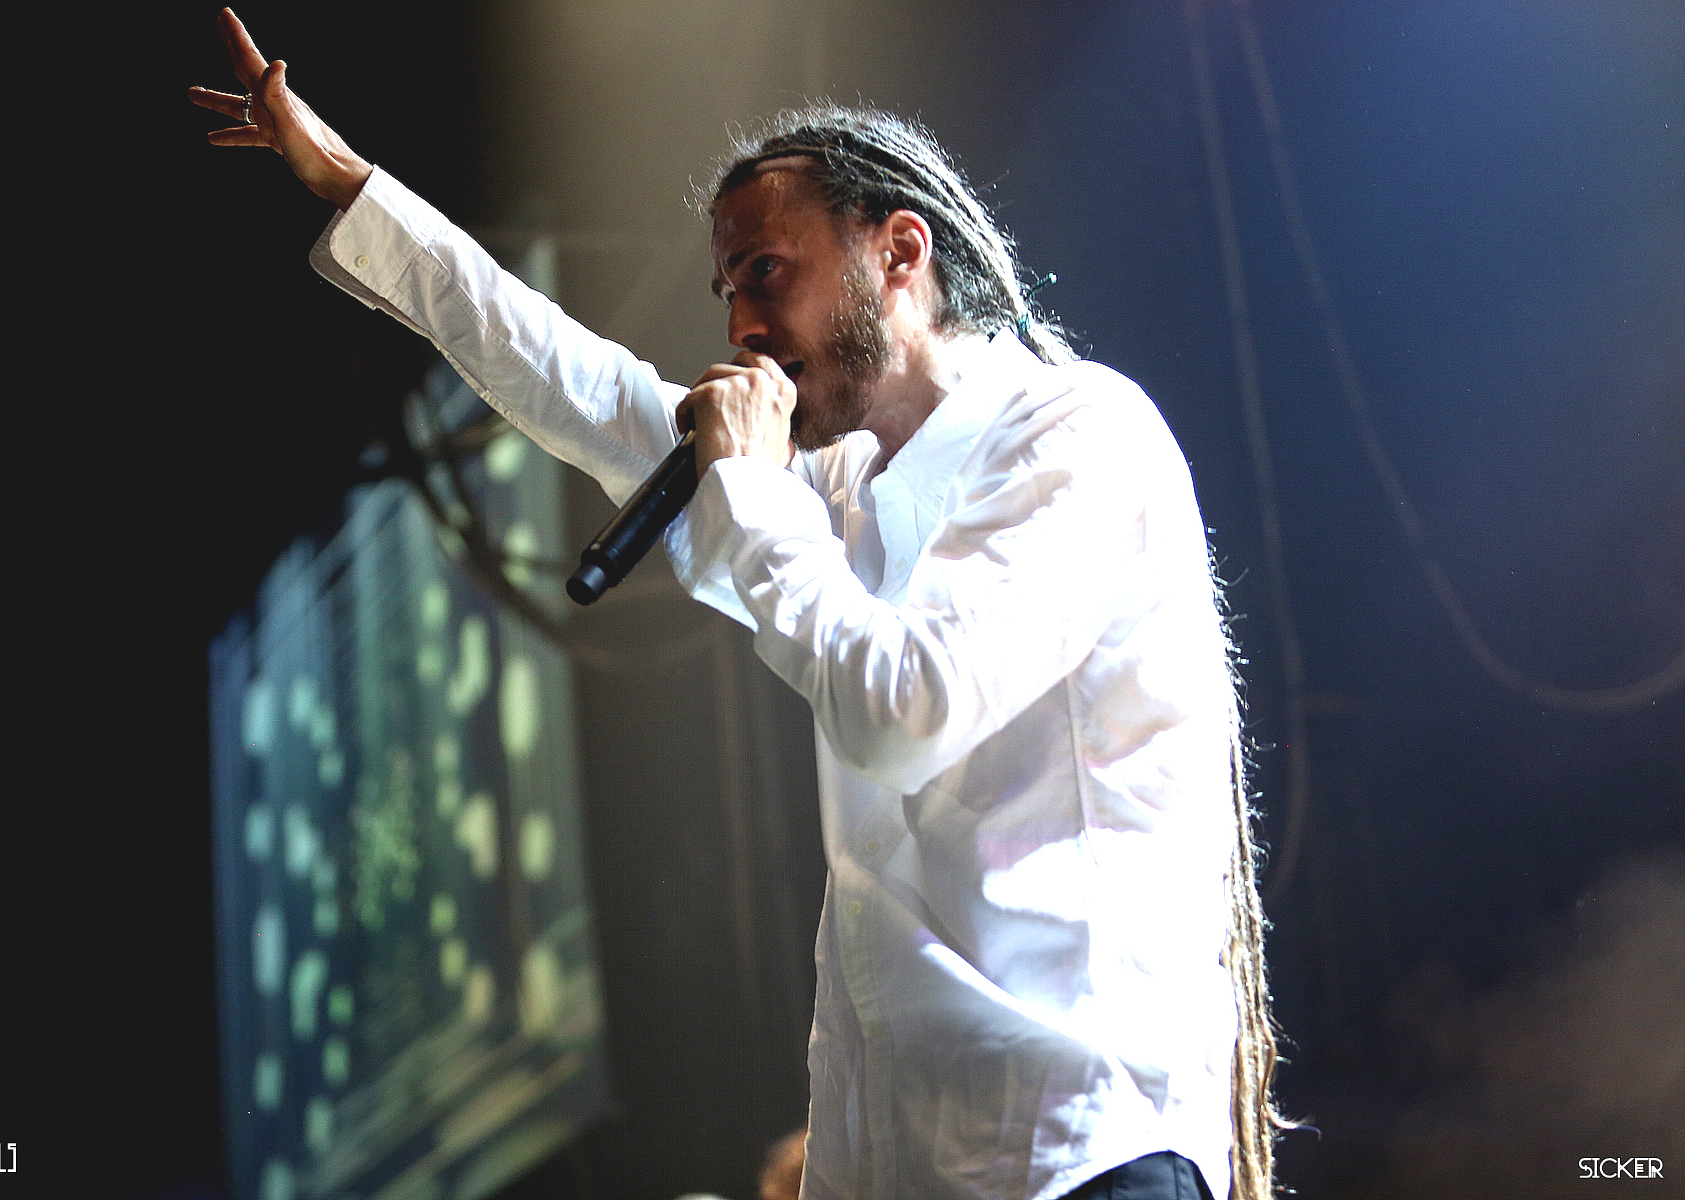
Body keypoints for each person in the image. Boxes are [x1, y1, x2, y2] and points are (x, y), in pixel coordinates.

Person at [191, 9, 1286, 1199]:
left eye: (766, 273)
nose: (740, 329)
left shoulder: (1075, 433)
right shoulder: (837, 485)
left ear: (899, 253)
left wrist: (756, 495)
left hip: (1077, 1149)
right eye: (726, 291)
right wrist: (351, 184)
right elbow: (579, 384)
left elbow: (904, 711)